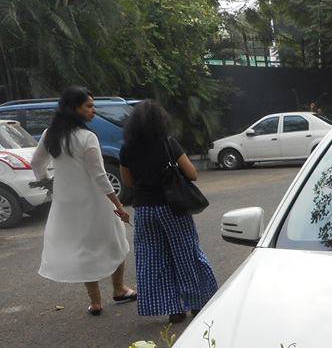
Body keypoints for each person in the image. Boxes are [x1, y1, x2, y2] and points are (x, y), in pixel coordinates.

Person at [32, 86, 136, 315]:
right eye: (88, 106)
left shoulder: (51, 134)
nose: (93, 111)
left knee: (84, 249)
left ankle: (95, 302)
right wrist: (118, 205)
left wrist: (49, 182)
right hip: (95, 202)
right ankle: (119, 290)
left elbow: (36, 164)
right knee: (116, 241)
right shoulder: (87, 137)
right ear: (74, 108)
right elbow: (99, 176)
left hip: (67, 204)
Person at [119, 100, 218, 323]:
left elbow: (128, 181)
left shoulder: (127, 148)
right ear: (161, 121)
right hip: (172, 207)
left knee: (153, 259)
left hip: (144, 210)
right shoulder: (168, 143)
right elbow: (192, 174)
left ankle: (173, 309)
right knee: (186, 254)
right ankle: (196, 302)